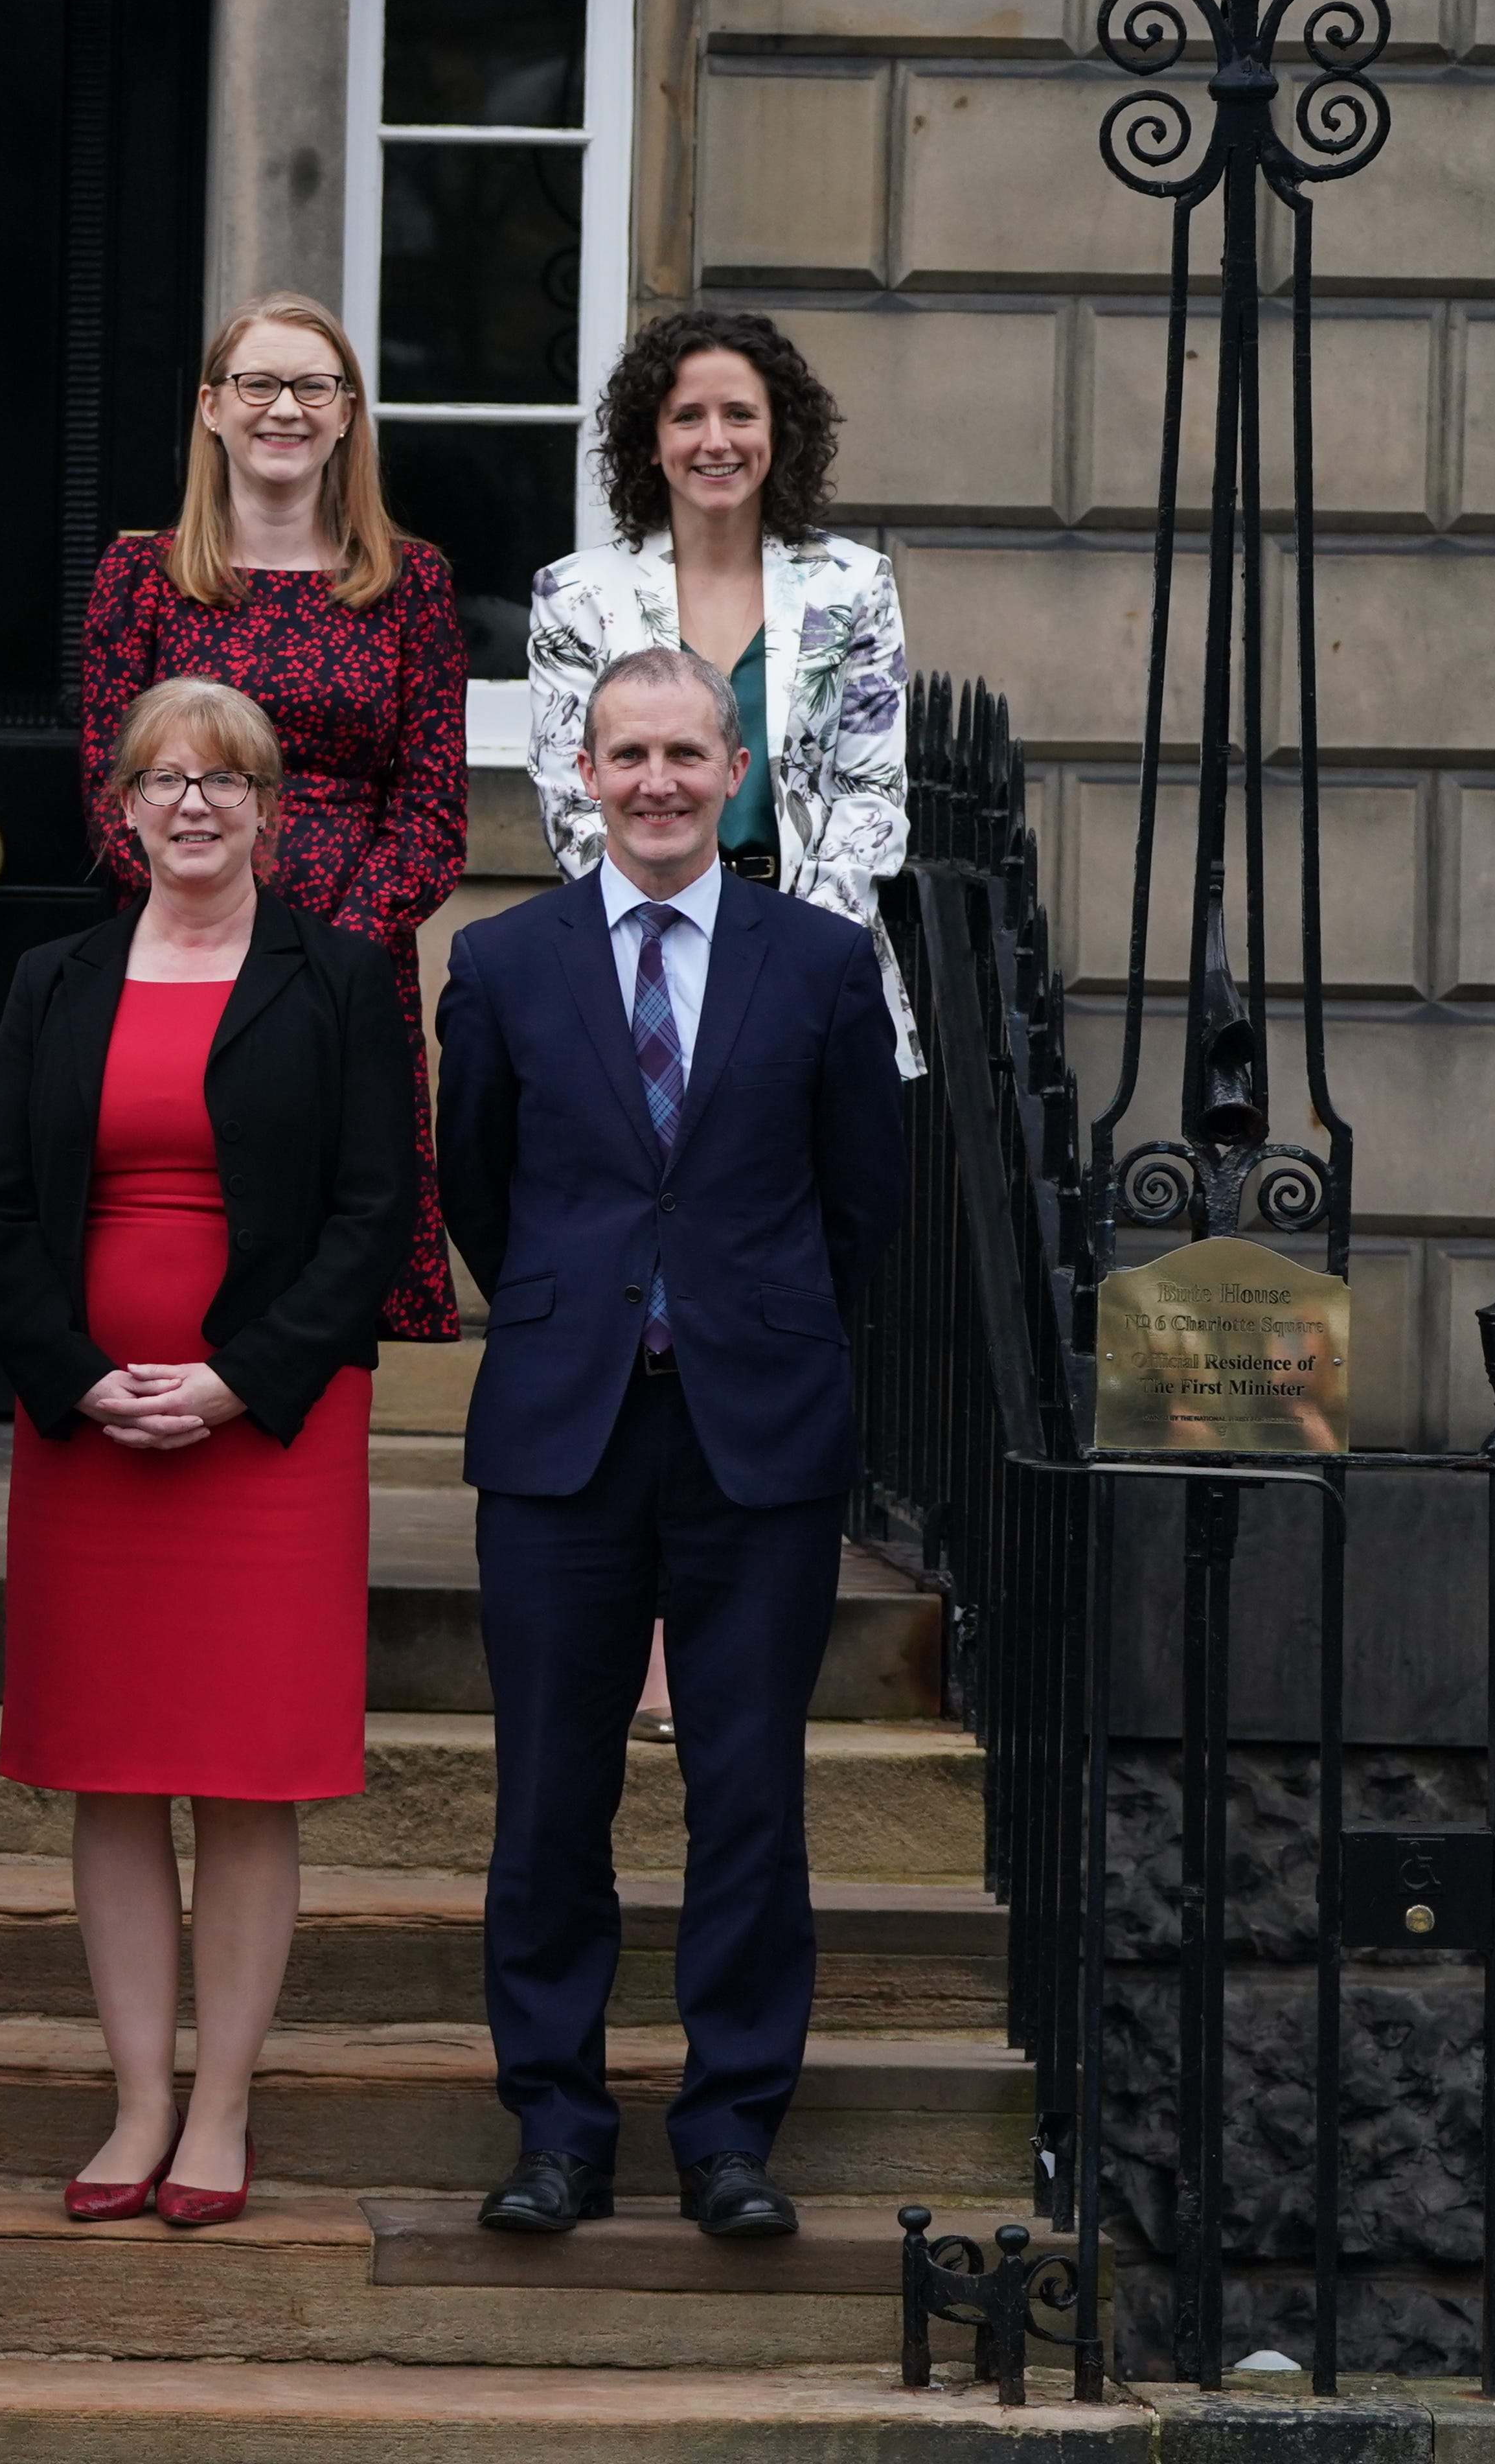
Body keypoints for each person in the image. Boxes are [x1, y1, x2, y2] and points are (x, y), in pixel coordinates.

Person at [432, 645, 904, 2245]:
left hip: (754, 1430)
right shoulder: (502, 963)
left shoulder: (826, 962)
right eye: (625, 753)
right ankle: (556, 2124)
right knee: (549, 1794)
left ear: (738, 774)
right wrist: (592, 1306)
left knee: (748, 1790)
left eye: (685, 755)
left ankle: (729, 2128)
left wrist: (737, 1315)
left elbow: (863, 1206)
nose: (654, 782)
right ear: (581, 769)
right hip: (564, 1427)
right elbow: (479, 1187)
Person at [0, 676, 419, 2230]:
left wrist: (237, 1381)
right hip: (89, 1430)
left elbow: (376, 1214)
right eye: (160, 777)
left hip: (271, 1434)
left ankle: (222, 2107)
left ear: (269, 807)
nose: (190, 803)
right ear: (117, 805)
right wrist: (81, 1376)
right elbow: (4, 1207)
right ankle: (136, 2099)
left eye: (223, 780)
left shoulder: (346, 978)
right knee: (108, 1772)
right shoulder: (51, 977)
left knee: (242, 1778)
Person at [525, 306, 915, 1744]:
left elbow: (874, 793)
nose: (714, 440)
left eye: (739, 415)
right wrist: (671, 926)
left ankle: (738, 1623)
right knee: (632, 1305)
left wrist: (769, 954)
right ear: (649, 438)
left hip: (799, 997)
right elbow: (577, 802)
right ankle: (635, 1643)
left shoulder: (854, 584)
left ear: (781, 434)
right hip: (629, 985)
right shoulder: (579, 592)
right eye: (687, 415)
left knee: (772, 1300)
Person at [77, 293, 468, 1361]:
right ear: (212, 407)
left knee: (327, 1234)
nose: (283, 409)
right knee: (187, 1214)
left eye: (313, 386)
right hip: (179, 955)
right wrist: (221, 927)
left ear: (348, 414)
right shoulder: (139, 580)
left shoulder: (412, 585)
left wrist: (333, 950)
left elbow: (433, 812)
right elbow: (115, 800)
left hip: (353, 960)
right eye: (258, 384)